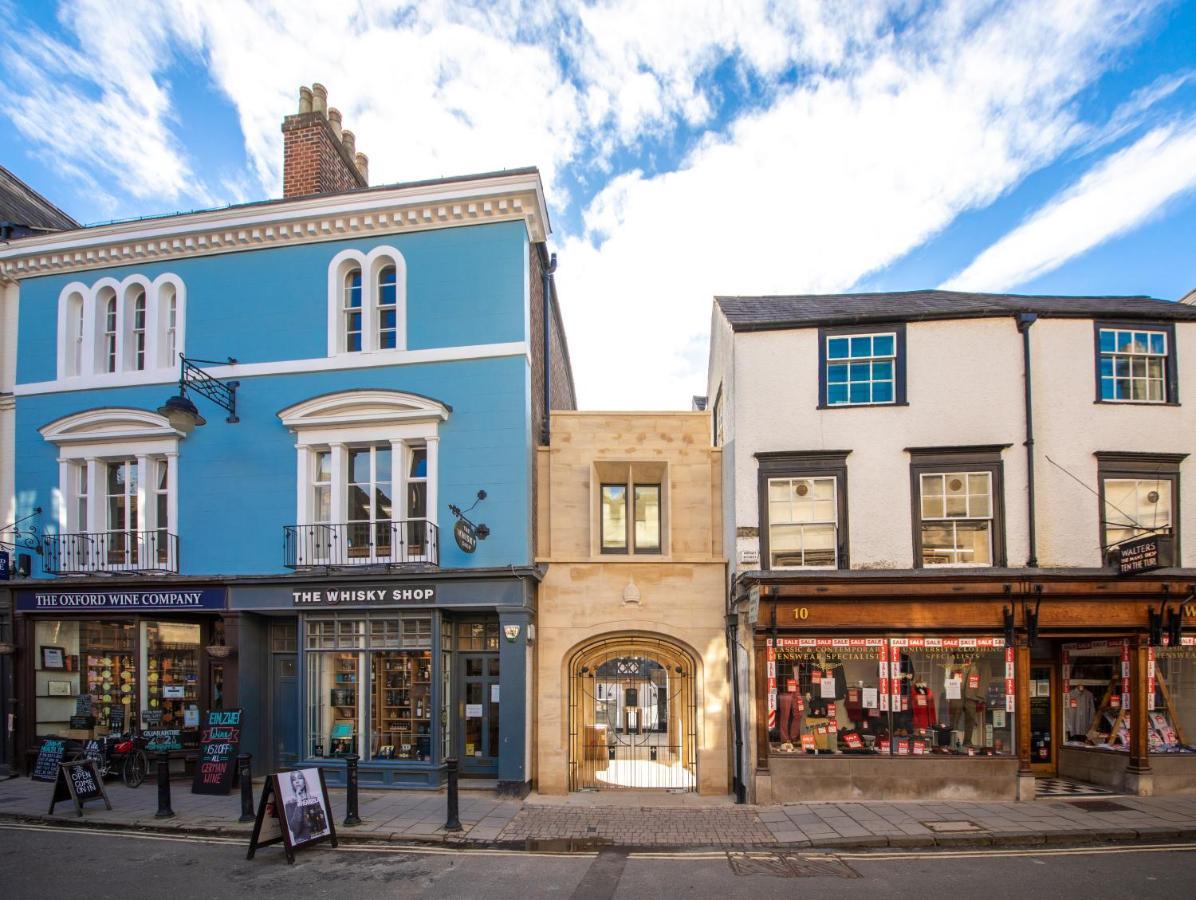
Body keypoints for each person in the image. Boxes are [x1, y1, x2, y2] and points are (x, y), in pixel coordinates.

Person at [282, 770, 326, 843]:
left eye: (299, 778)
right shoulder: (290, 804)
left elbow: (322, 823)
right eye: (293, 779)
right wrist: (299, 803)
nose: (297, 781)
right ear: (292, 784)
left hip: (317, 837)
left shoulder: (313, 800)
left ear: (304, 781)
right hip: (301, 840)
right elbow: (295, 828)